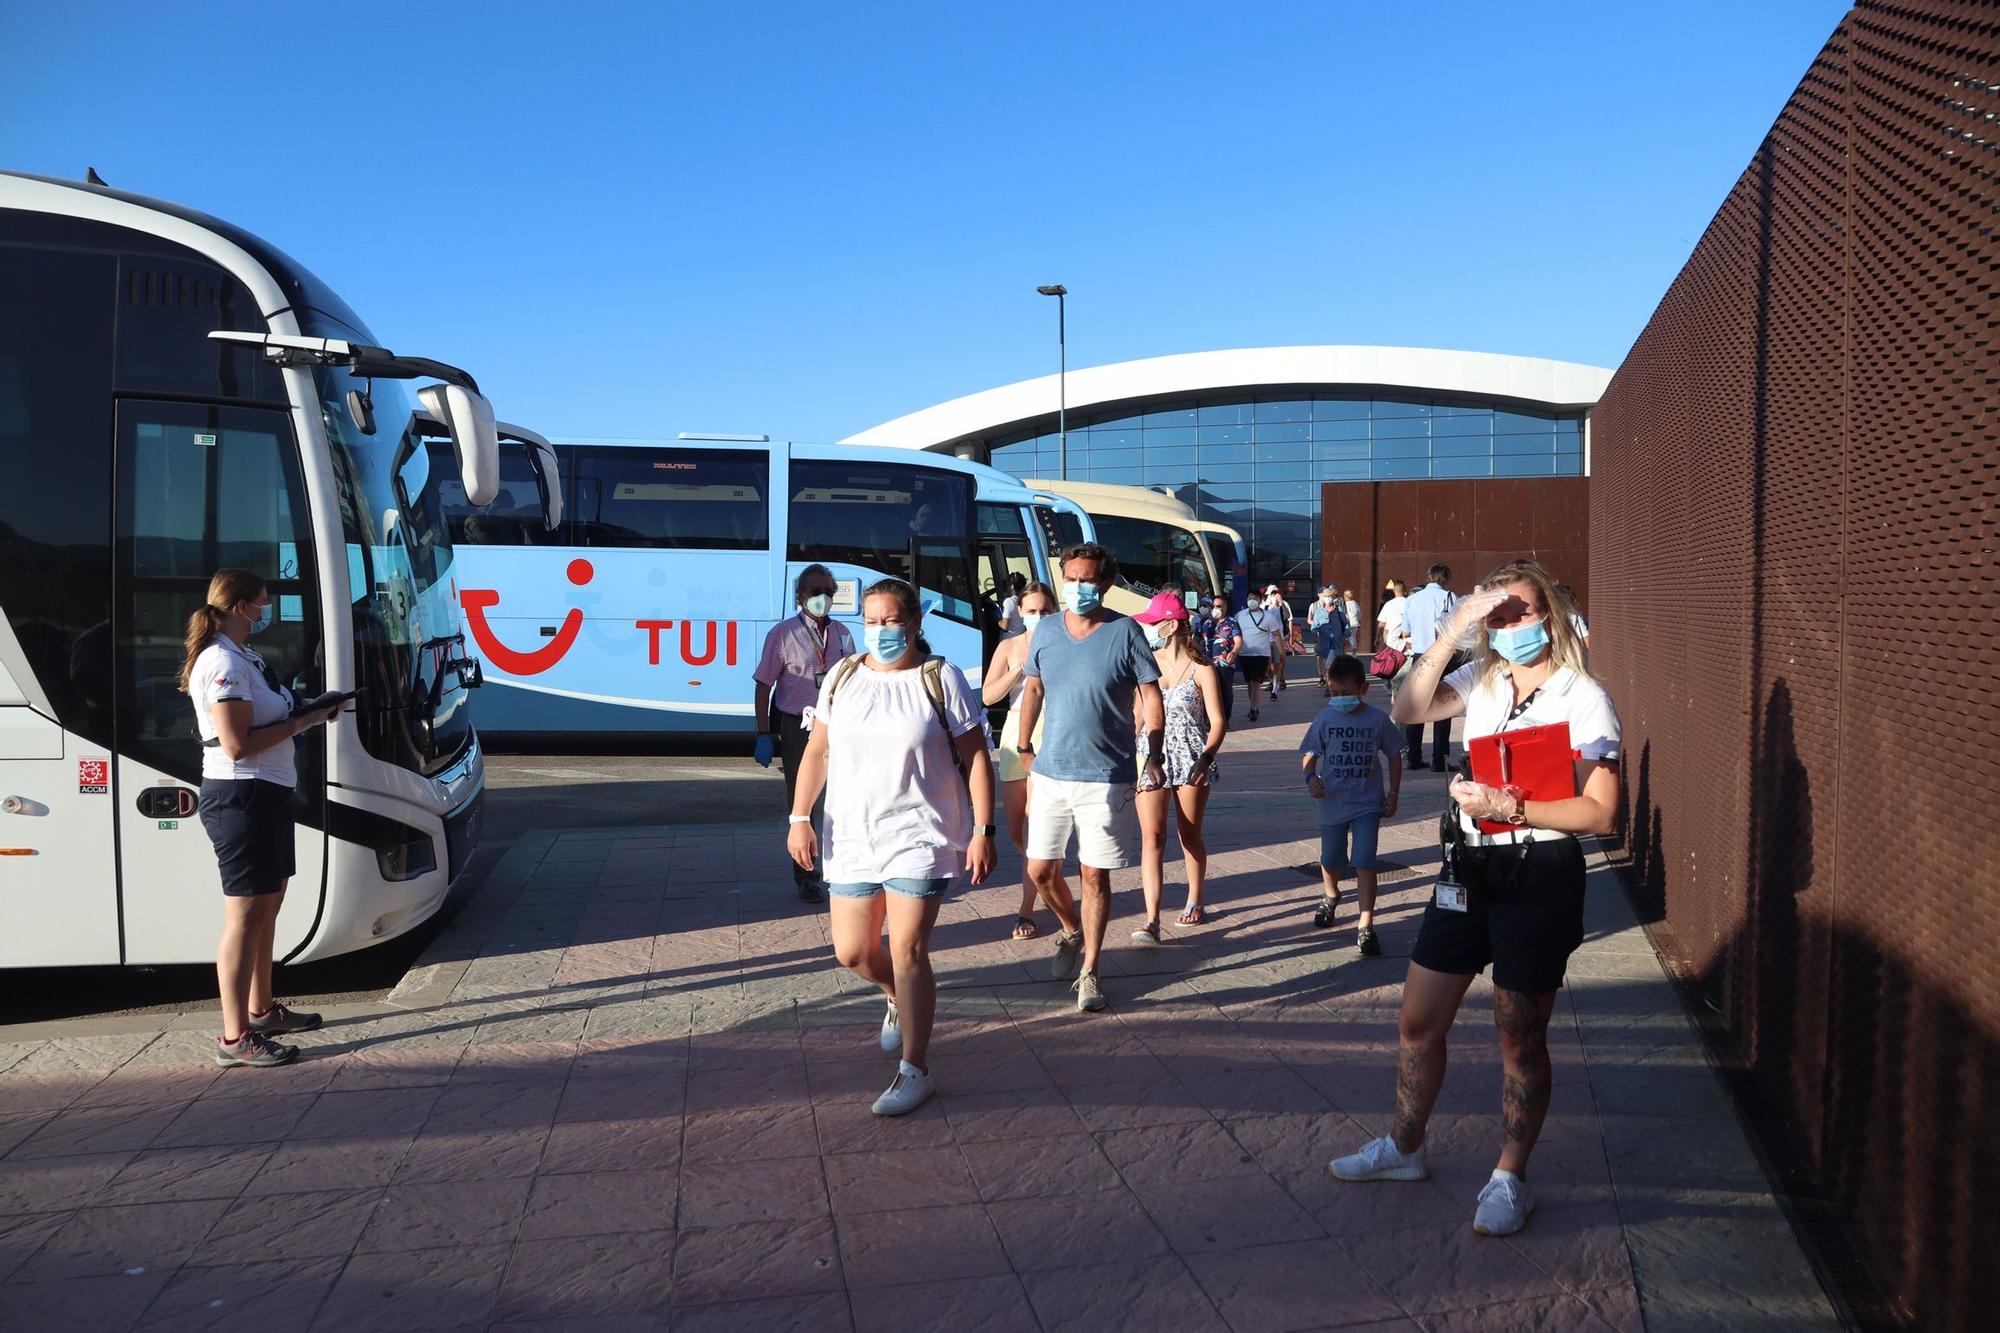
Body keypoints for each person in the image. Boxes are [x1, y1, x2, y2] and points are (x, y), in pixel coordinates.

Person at [1329, 558, 1621, 1237]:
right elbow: (1405, 707)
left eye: (1521, 612)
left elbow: (1602, 812)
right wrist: (1454, 629)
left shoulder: (1583, 694)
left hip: (1539, 871)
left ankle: (1509, 1175)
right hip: (1468, 869)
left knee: (1518, 1034)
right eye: (1498, 615)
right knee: (1416, 1022)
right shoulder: (1482, 678)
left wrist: (1512, 807)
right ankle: (1405, 1148)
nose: (1510, 625)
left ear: (1548, 612)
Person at [786, 578, 996, 1116]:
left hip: (920, 835)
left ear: (915, 623)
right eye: (872, 622)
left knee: (908, 950)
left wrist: (982, 830)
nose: (880, 631)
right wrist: (799, 817)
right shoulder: (843, 675)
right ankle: (896, 998)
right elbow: (817, 752)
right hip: (851, 833)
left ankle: (915, 1069)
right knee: (852, 952)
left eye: (891, 621)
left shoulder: (939, 677)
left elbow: (975, 757)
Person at [183, 569, 340, 1069]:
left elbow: (269, 713)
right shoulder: (222, 661)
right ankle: (235, 1037)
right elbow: (235, 743)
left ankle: (262, 1010)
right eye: (264, 602)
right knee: (245, 915)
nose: (268, 610)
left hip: (267, 792)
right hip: (240, 795)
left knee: (269, 904)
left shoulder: (244, 656)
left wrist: (312, 707)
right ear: (240, 607)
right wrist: (305, 722)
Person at [1014, 543, 1165, 1013]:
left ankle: (1091, 971)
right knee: (1040, 870)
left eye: (1088, 579)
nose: (1078, 587)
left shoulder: (1125, 633)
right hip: (1051, 771)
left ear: (1105, 583)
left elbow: (1150, 695)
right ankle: (1071, 931)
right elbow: (1033, 688)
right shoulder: (1046, 631)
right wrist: (1023, 746)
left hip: (1106, 775)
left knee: (1094, 876)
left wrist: (1153, 753)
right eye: (1071, 578)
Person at [753, 565, 855, 901]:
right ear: (800, 596)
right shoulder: (781, 635)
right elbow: (764, 685)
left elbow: (855, 681)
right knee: (803, 800)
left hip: (837, 726)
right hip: (797, 726)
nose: (822, 598)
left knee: (842, 796)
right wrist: (764, 733)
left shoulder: (842, 633)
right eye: (815, 591)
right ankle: (807, 875)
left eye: (828, 591)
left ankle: (845, 864)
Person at [1128, 594, 1226, 940]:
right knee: (1152, 837)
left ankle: (1194, 898)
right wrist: (1129, 754)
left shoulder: (1202, 668)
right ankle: (1151, 918)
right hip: (1151, 755)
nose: (1148, 628)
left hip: (1190, 757)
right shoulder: (1146, 664)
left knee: (1189, 834)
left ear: (1171, 625)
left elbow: (1217, 721)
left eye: (1154, 622)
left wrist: (1207, 756)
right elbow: (1138, 717)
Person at [1300, 655, 1400, 954]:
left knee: (1365, 862)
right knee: (1330, 859)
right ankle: (1331, 895)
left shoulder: (1378, 720)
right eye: (1335, 693)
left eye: (1346, 693)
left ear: (1364, 688)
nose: (1340, 699)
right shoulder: (1324, 719)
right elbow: (1309, 753)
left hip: (1368, 803)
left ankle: (1366, 925)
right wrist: (1310, 778)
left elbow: (1394, 754)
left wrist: (1393, 794)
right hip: (1332, 803)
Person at [982, 580, 1063, 940]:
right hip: (1016, 734)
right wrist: (1020, 667)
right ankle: (1048, 874)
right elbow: (988, 696)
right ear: (1020, 613)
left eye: (1045, 610)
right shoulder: (1009, 646)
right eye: (1032, 611)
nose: (1039, 616)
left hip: (1055, 734)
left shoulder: (1064, 644)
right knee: (1016, 828)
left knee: (1035, 827)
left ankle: (1026, 908)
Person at [1400, 564, 1459, 771]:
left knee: (1417, 708)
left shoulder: (1412, 599)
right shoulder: (1450, 598)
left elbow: (1405, 631)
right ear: (1447, 578)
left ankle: (1413, 757)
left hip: (1419, 656)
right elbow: (1459, 628)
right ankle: (1439, 760)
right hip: (1442, 656)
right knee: (1442, 709)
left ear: (1429, 576)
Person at [1233, 594, 1283, 722]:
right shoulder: (1240, 615)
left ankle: (1254, 708)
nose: (1252, 601)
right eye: (1249, 598)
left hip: (1262, 654)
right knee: (1249, 682)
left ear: (1260, 601)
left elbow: (1276, 634)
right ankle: (1253, 705)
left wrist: (1282, 652)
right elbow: (1233, 633)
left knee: (1256, 681)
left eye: (1254, 599)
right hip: (1245, 654)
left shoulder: (1268, 616)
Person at [1198, 593, 1239, 725]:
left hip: (1224, 664)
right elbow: (1196, 640)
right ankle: (1208, 720)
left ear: (1226, 607)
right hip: (1206, 663)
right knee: (1207, 692)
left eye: (1219, 606)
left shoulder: (1232, 623)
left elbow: (1238, 641)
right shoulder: (1205, 623)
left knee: (1224, 691)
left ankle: (1224, 720)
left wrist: (1234, 651)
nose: (1216, 608)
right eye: (1213, 606)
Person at [1308, 587, 1349, 696]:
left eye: (1330, 596)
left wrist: (1346, 635)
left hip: (1336, 642)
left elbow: (1346, 624)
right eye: (1326, 596)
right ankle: (1330, 686)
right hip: (1324, 642)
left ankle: (1331, 687)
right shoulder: (1319, 611)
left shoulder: (1338, 609)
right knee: (1330, 666)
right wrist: (1314, 633)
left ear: (1334, 597)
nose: (1328, 598)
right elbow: (1314, 625)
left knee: (1330, 665)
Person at [1262, 585, 1296, 696]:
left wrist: (1280, 603)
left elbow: (1288, 617)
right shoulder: (1265, 606)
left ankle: (1280, 680)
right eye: (1272, 594)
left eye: (1275, 593)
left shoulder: (1284, 604)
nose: (1274, 596)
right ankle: (1273, 681)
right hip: (1266, 638)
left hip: (1279, 638)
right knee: (1268, 662)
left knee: (1279, 661)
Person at [1376, 579, 1411, 681]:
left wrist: (1377, 638)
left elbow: (1382, 623)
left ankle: (1390, 683)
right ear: (1405, 591)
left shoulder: (1389, 604)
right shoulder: (1409, 602)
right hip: (1408, 639)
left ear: (1394, 591)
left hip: (1391, 639)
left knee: (1392, 663)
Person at [1342, 589, 1362, 653]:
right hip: (1355, 622)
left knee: (1349, 636)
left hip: (1349, 623)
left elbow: (1345, 614)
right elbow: (1359, 613)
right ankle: (1354, 651)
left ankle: (1352, 648)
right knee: (1353, 636)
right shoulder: (1355, 603)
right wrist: (1358, 620)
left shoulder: (1345, 604)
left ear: (1345, 596)